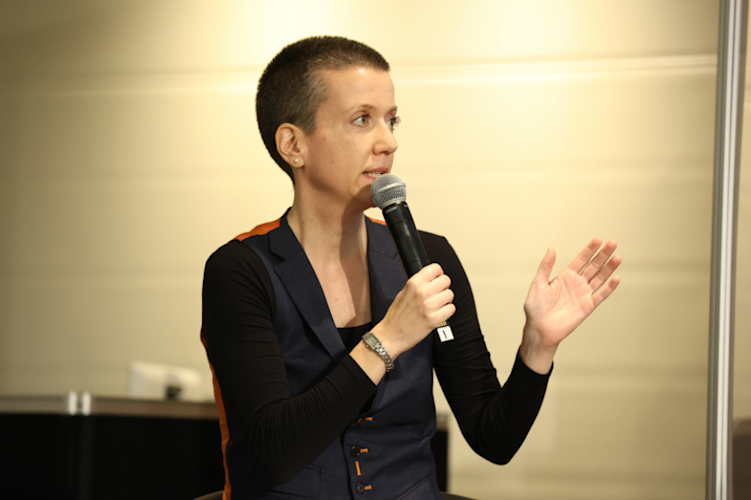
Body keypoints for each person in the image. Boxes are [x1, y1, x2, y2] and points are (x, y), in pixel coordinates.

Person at [201, 36, 621, 500]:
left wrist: (538, 346)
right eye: (362, 119)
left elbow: (493, 438)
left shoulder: (427, 256)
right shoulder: (240, 271)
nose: (389, 142)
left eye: (392, 120)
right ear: (293, 144)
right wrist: (387, 339)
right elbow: (275, 453)